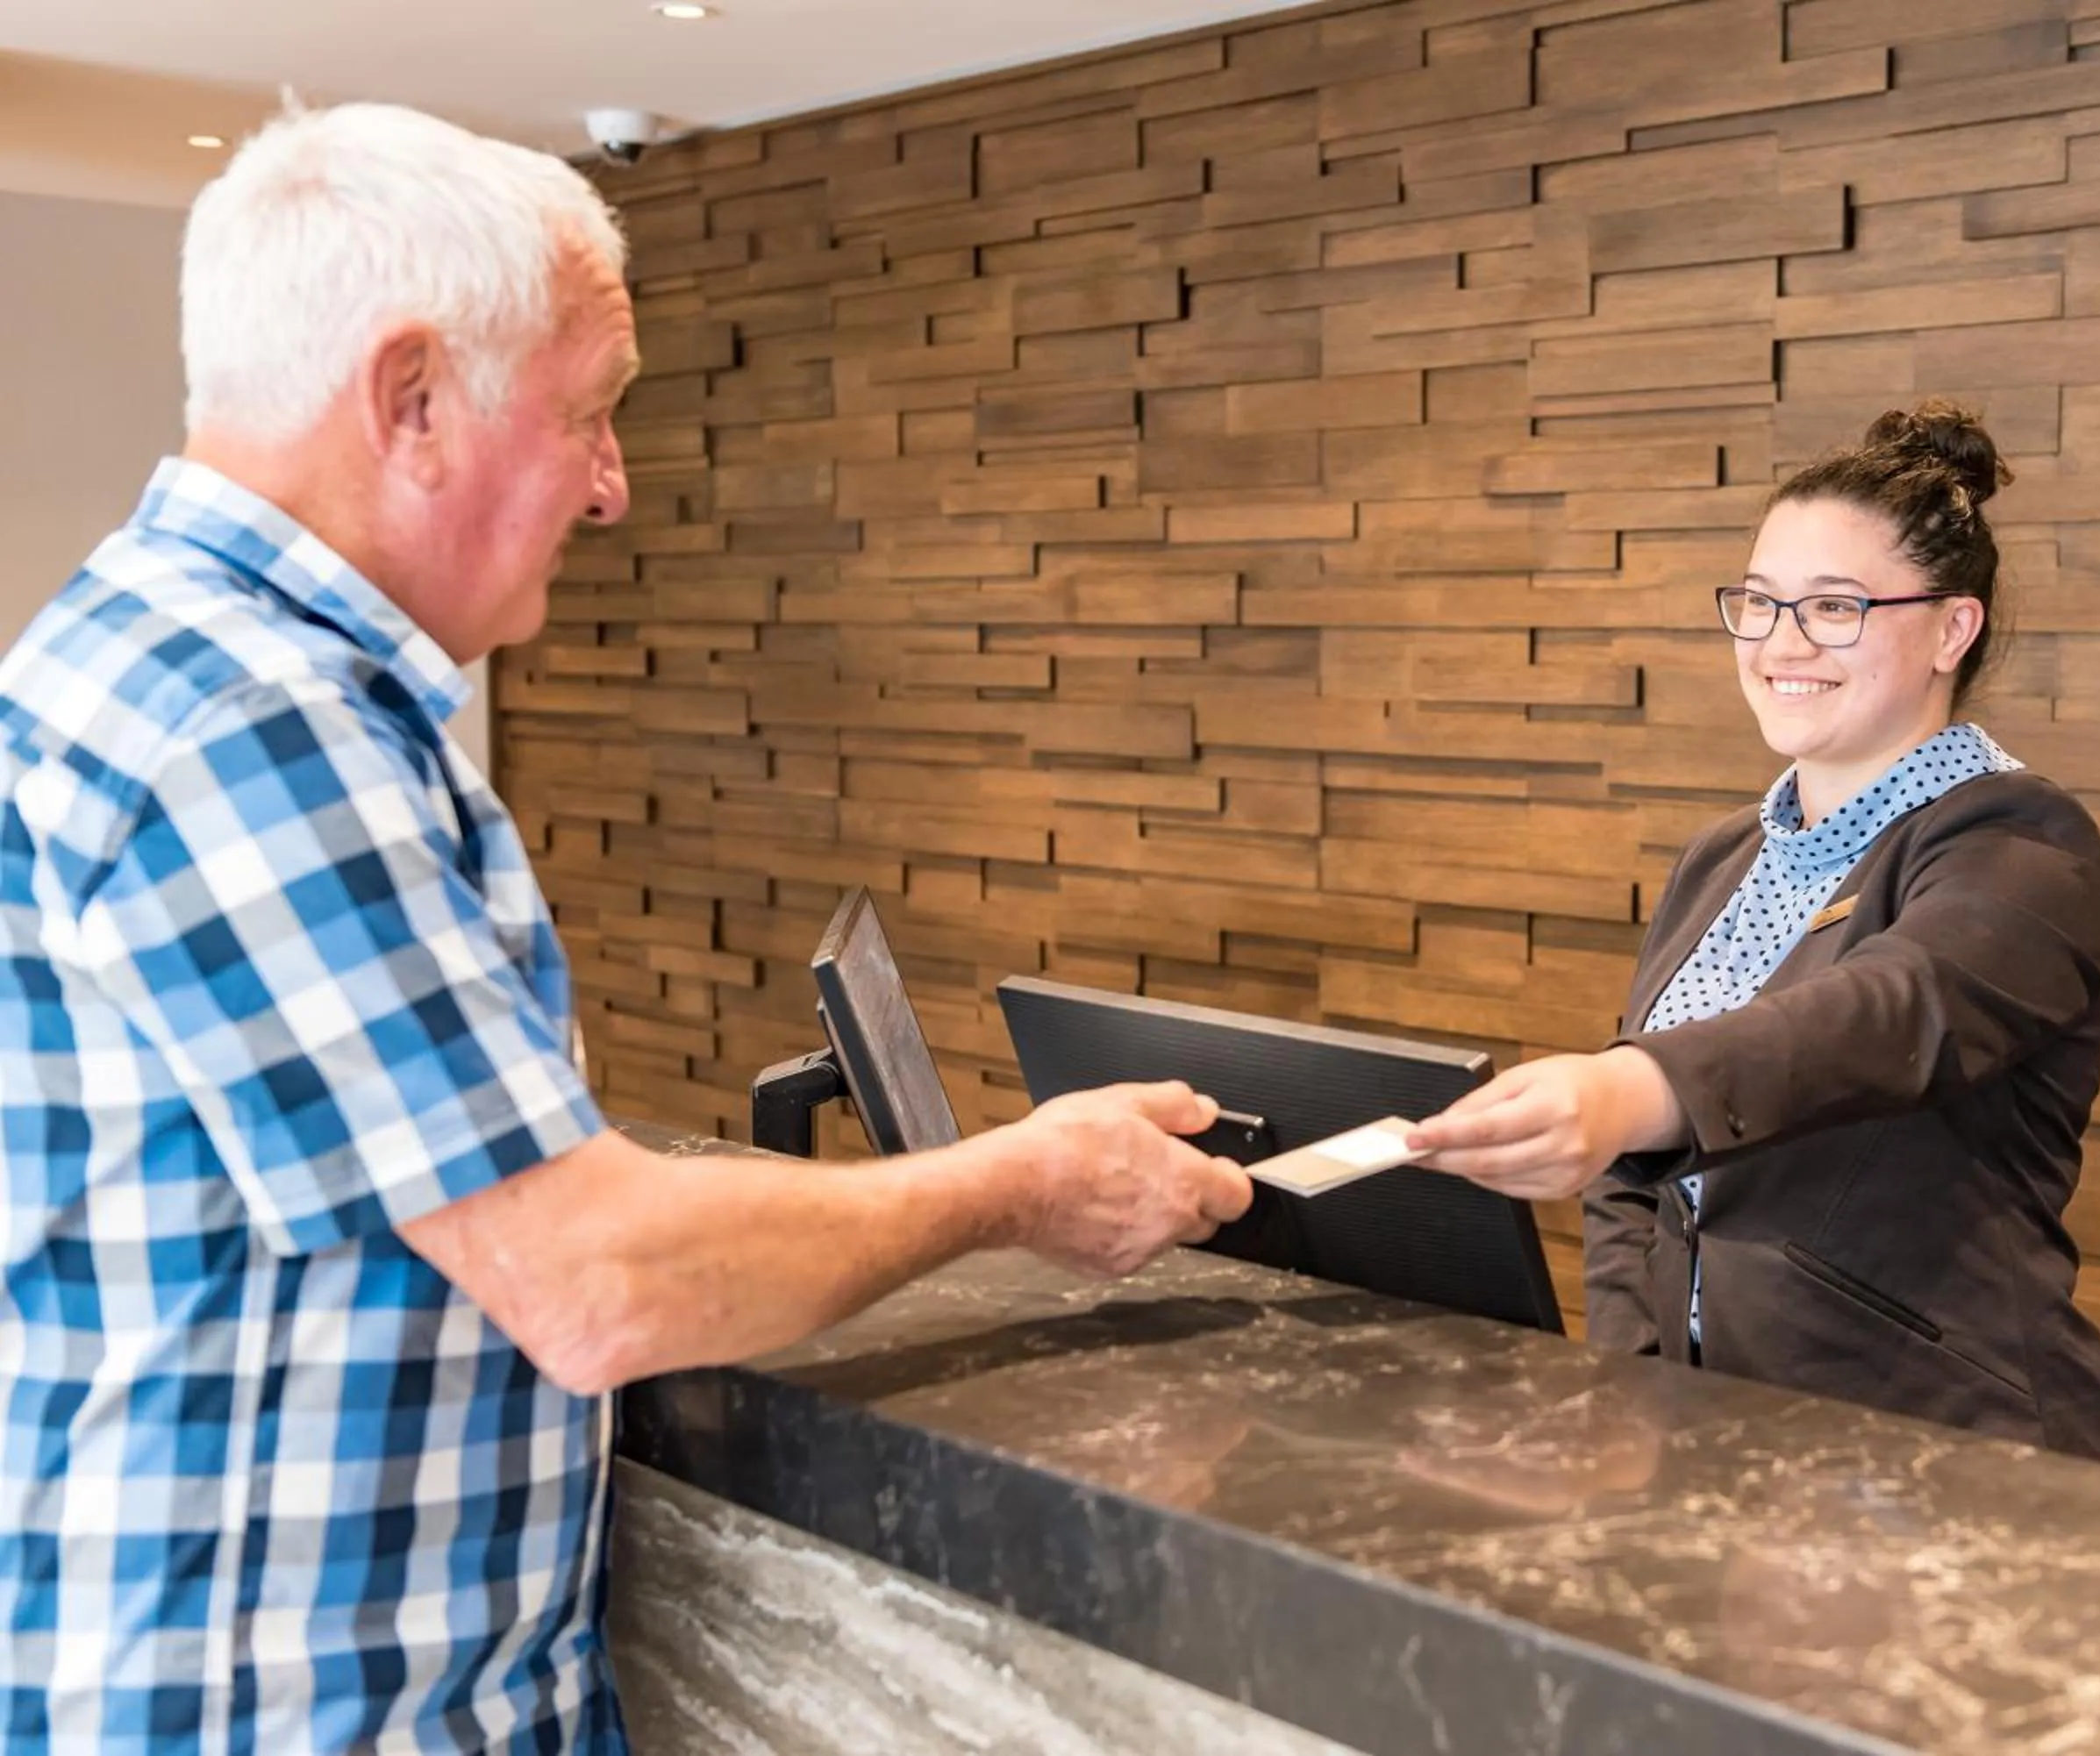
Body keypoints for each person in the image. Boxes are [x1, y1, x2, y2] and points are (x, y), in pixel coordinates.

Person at [0, 105, 1251, 1753]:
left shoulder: (152, 651)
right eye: (588, 414)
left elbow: (450, 1185)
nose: (613, 485)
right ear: (414, 399)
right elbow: (594, 1283)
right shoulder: (254, 723)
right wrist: (1021, 1181)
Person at [1409, 401, 2100, 1474]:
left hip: (1954, 1468)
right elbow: (1634, 1181)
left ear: (1953, 628)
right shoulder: (1721, 858)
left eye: (1834, 608)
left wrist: (1627, 1087)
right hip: (1722, 1455)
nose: (1781, 644)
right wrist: (1635, 1396)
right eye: (1759, 604)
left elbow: (1883, 1017)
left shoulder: (2021, 842)